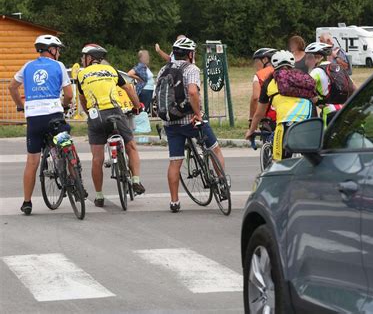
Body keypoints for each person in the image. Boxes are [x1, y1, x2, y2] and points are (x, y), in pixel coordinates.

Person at [156, 37, 226, 213]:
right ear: (190, 54)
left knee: (175, 162)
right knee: (215, 149)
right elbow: (193, 92)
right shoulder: (191, 69)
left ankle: (174, 202)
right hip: (190, 120)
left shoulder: (163, 69)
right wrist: (198, 114)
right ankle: (222, 184)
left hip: (170, 122)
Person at [8, 35, 73, 215]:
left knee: (32, 161)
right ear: (52, 49)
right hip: (54, 116)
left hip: (34, 119)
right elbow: (68, 94)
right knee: (66, 144)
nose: (58, 53)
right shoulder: (59, 66)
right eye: (57, 49)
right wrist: (65, 105)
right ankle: (76, 184)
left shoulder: (28, 66)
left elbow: (12, 87)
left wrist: (21, 105)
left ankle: (27, 202)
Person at [77, 44, 145, 207]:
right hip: (115, 112)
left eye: (83, 57)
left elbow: (82, 99)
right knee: (131, 146)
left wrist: (89, 113)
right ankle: (136, 180)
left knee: (97, 158)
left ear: (89, 58)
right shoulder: (111, 70)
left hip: (96, 115)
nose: (82, 60)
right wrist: (137, 105)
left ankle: (99, 196)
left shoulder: (81, 74)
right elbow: (128, 88)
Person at [246, 50, 313, 161]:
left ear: (274, 65)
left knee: (279, 162)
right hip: (309, 123)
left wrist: (251, 130)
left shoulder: (270, 82)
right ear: (292, 64)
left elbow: (259, 113)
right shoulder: (303, 78)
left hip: (286, 124)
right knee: (311, 161)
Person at [305, 42, 354, 127]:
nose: (306, 62)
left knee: (327, 139)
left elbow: (304, 89)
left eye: (309, 58)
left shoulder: (316, 71)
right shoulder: (339, 68)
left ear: (319, 57)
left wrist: (318, 101)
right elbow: (353, 88)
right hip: (346, 109)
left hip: (330, 112)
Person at [249, 48, 277, 130]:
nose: (255, 65)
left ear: (265, 60)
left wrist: (251, 119)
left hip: (269, 119)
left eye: (256, 61)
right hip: (285, 116)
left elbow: (255, 98)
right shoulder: (283, 72)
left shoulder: (259, 75)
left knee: (268, 142)